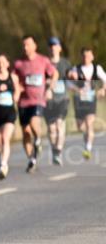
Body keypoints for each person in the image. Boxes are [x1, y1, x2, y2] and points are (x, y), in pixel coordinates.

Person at [12, 35, 58, 173]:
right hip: (23, 101)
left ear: (34, 46)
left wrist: (50, 89)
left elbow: (54, 74)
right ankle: (32, 159)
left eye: (28, 45)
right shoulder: (19, 63)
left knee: (33, 124)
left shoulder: (43, 60)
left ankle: (38, 139)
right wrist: (16, 87)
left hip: (38, 100)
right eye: (23, 45)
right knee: (25, 132)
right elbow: (14, 77)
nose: (25, 48)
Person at [67, 47, 106, 160]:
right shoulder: (76, 69)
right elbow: (69, 84)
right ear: (81, 57)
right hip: (79, 101)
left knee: (89, 123)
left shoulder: (96, 68)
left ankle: (88, 148)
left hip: (91, 100)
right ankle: (87, 139)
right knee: (81, 126)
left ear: (92, 57)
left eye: (88, 56)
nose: (86, 58)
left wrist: (103, 89)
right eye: (84, 56)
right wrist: (76, 89)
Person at [45, 37, 72, 165]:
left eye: (55, 45)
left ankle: (59, 151)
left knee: (60, 124)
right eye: (50, 46)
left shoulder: (65, 63)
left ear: (60, 48)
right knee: (51, 128)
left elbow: (72, 78)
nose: (53, 48)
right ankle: (54, 150)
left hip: (63, 99)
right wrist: (47, 83)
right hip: (49, 99)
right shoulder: (45, 63)